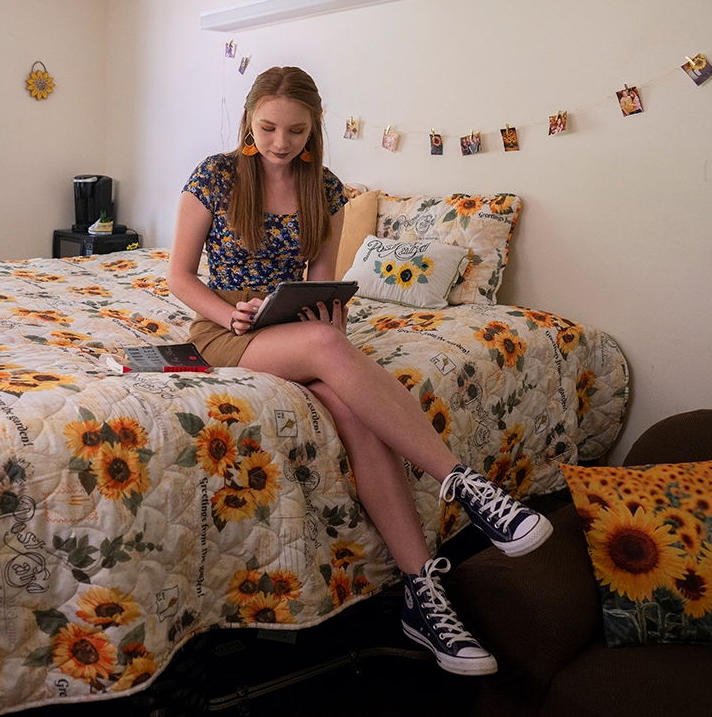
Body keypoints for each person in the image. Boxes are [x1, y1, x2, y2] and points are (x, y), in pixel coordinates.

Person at [167, 66, 551, 676]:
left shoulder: (326, 187)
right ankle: (467, 486)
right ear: (248, 120)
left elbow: (322, 281)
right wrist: (231, 314)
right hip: (227, 332)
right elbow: (179, 277)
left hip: (296, 330)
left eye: (295, 130)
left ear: (314, 128)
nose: (279, 142)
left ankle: (423, 596)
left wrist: (326, 317)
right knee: (326, 350)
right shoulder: (215, 176)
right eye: (267, 127)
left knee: (353, 410)